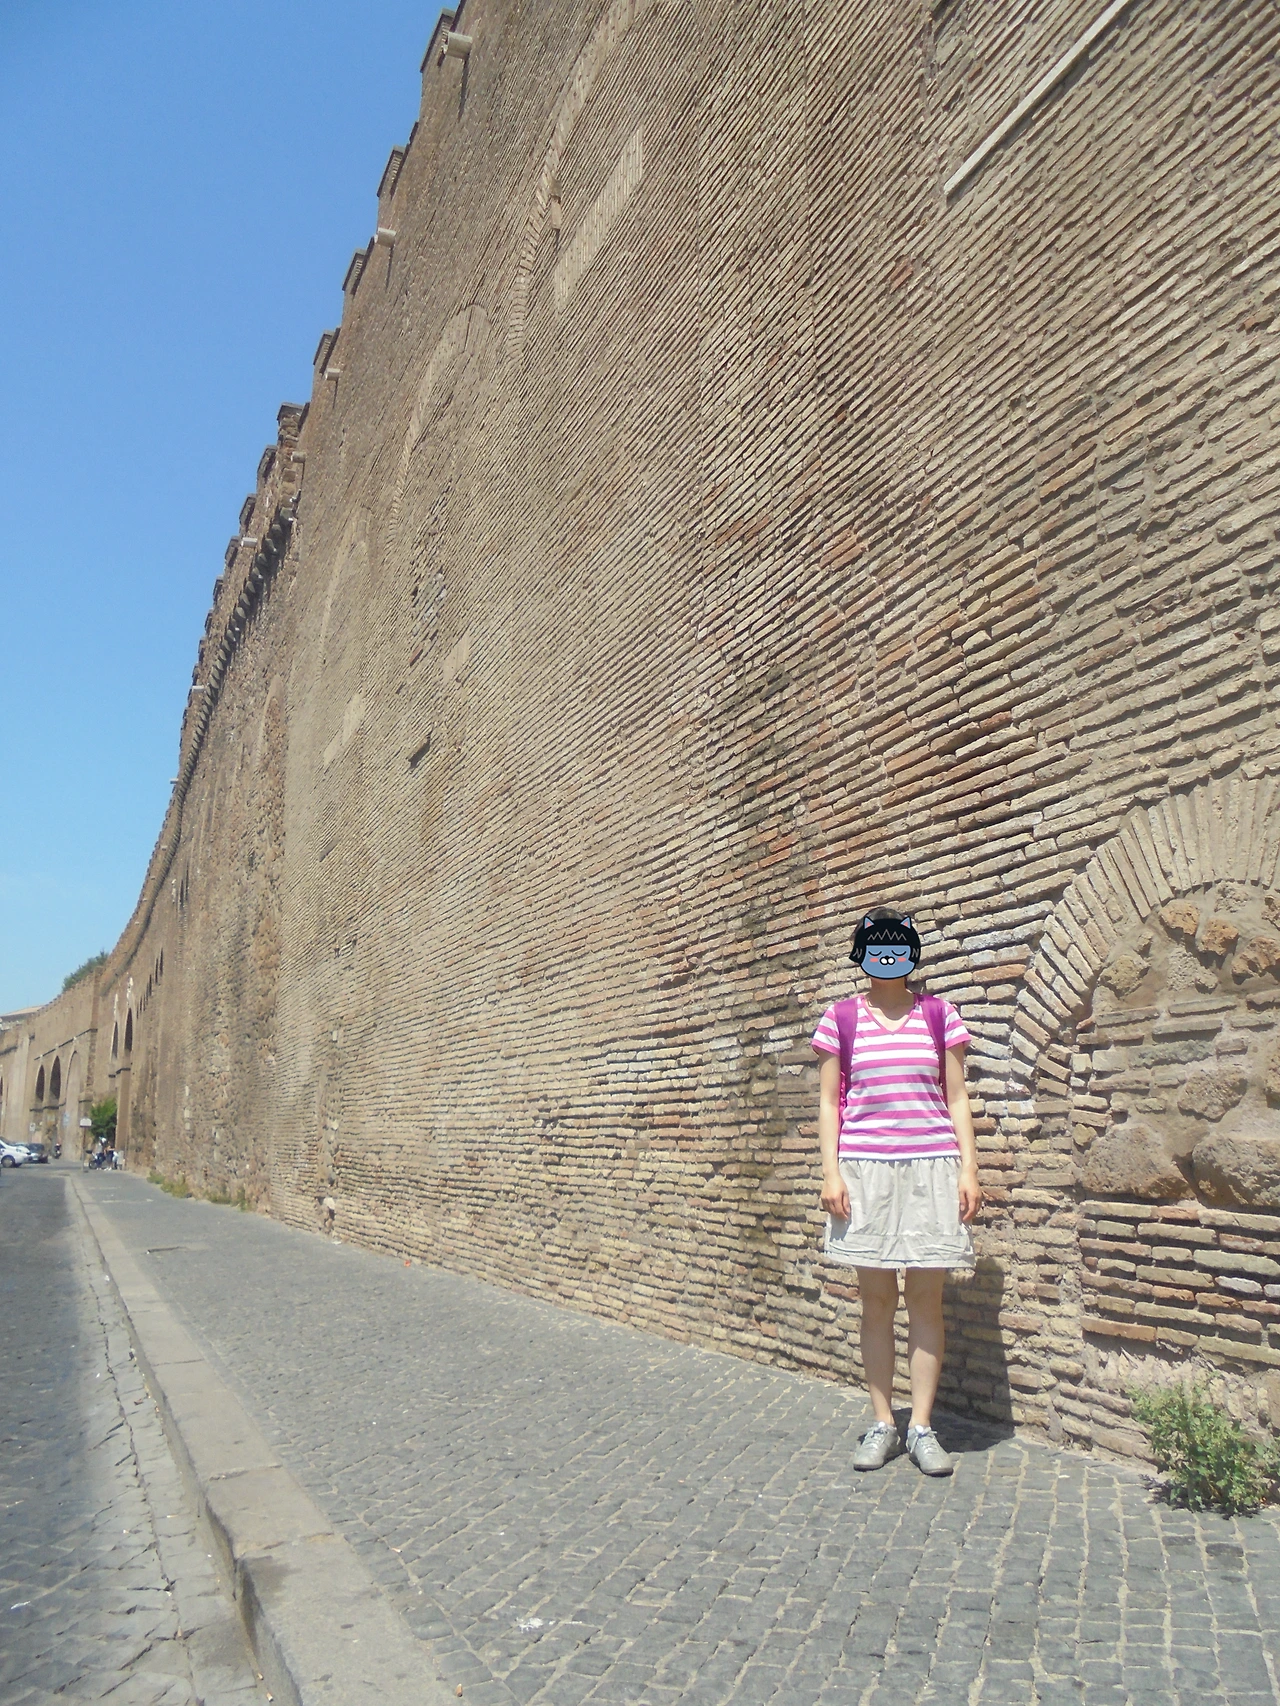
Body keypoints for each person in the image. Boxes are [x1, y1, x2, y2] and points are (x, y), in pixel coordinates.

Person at [812, 907, 981, 1476]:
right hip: (865, 1173)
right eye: (877, 947)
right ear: (861, 954)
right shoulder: (841, 1018)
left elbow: (956, 1096)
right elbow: (831, 1102)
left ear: (912, 952)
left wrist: (968, 1169)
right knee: (877, 1302)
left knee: (926, 1302)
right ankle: (883, 1423)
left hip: (932, 1167)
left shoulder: (940, 1015)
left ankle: (923, 1427)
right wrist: (831, 1172)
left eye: (898, 946)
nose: (888, 957)